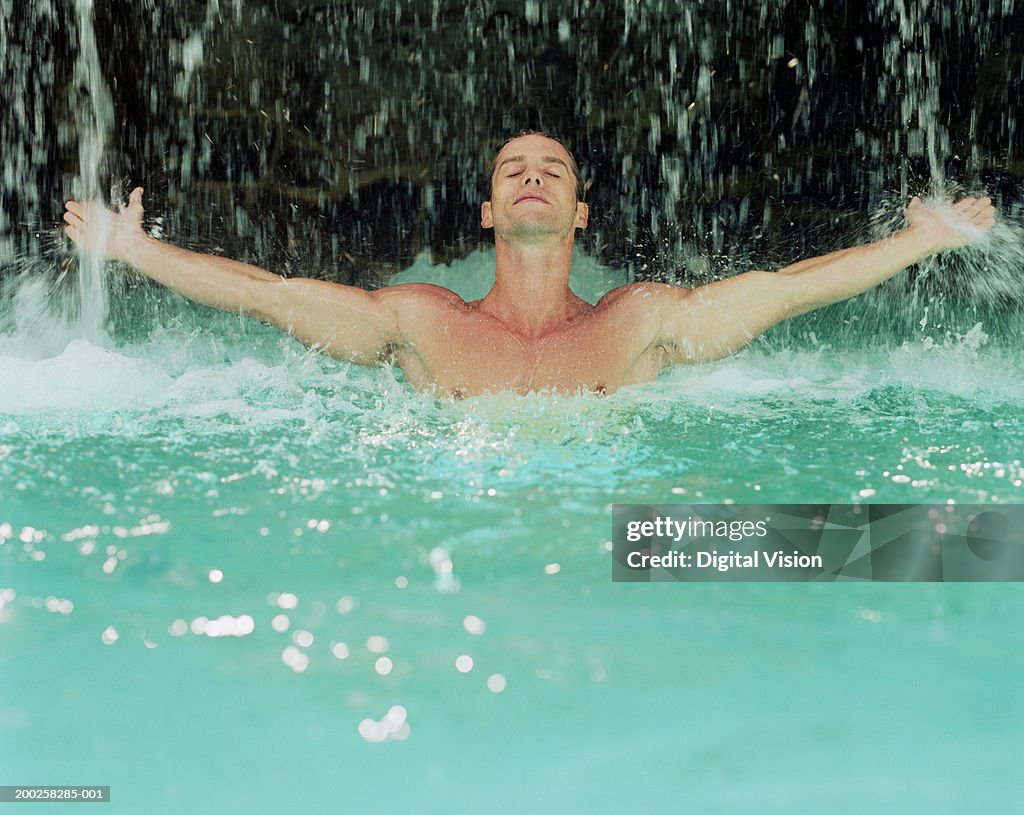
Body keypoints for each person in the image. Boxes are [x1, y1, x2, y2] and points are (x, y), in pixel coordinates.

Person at [63, 132, 996, 397]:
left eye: (553, 168)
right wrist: (134, 249)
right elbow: (269, 297)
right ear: (489, 209)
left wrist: (920, 239)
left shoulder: (640, 319)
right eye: (514, 168)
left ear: (582, 210)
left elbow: (789, 291)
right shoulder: (420, 319)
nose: (533, 175)